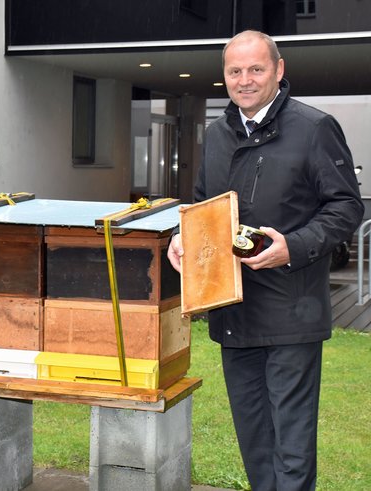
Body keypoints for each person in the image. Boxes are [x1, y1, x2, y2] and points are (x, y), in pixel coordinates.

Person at [167, 30, 363, 491]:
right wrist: (184, 236)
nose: (245, 80)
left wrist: (292, 247)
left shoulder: (314, 128)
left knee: (291, 447)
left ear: (279, 70)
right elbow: (203, 205)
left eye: (256, 69)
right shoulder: (217, 134)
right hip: (233, 312)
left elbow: (346, 207)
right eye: (235, 71)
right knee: (254, 441)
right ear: (225, 77)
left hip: (291, 313)